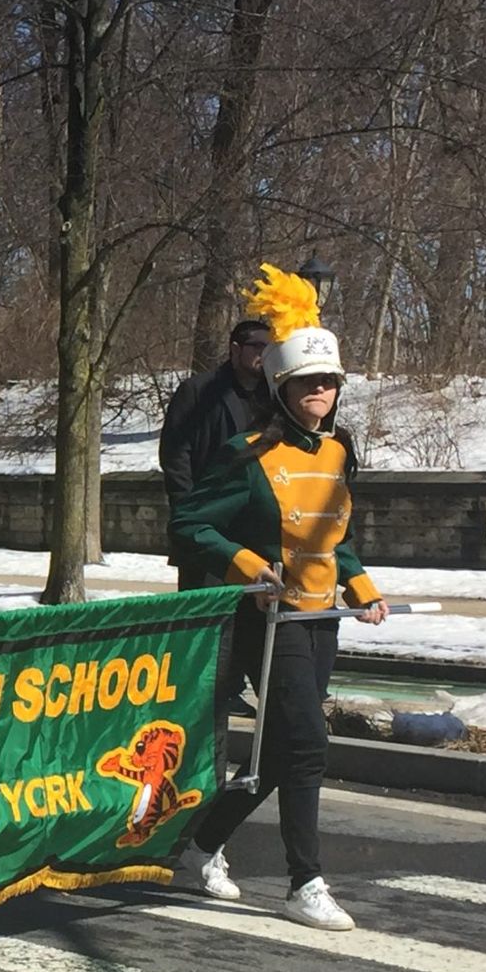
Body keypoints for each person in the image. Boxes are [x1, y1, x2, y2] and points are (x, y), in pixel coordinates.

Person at [171, 264, 388, 931]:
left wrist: (364, 588)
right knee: (308, 742)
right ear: (282, 388)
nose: (320, 392)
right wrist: (247, 565)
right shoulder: (248, 452)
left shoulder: (338, 451)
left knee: (277, 751)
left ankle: (201, 845)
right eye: (307, 383)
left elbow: (333, 537)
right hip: (271, 618)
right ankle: (305, 882)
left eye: (329, 382)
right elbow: (190, 523)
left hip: (326, 617)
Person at [161, 318, 272, 589]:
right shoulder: (199, 391)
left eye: (271, 348)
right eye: (258, 346)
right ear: (235, 349)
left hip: (255, 534)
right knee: (206, 620)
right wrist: (191, 512)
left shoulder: (273, 396)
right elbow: (175, 456)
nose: (264, 354)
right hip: (208, 528)